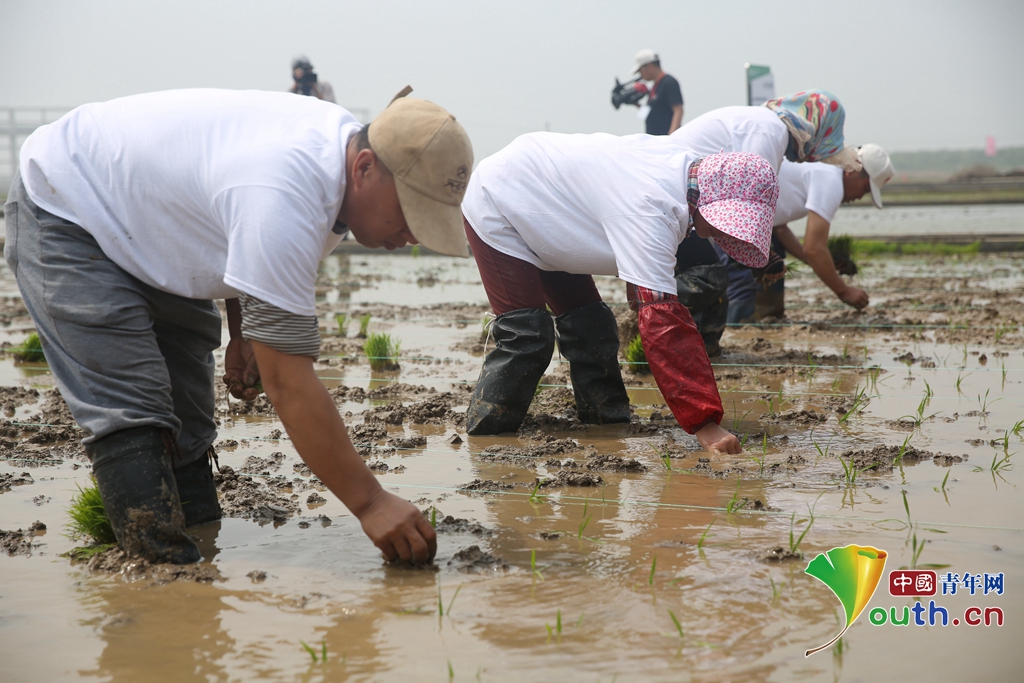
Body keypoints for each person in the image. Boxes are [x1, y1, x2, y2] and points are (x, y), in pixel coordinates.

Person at [5, 87, 472, 565]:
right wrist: (371, 503)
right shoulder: (287, 189)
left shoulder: (333, 152)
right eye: (411, 213)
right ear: (365, 167)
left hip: (155, 219)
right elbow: (288, 383)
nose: (414, 235)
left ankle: (198, 556)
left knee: (187, 410)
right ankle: (161, 587)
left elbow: (229, 210)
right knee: (135, 409)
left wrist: (243, 326)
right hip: (70, 205)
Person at [461, 132, 780, 454]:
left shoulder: (686, 171)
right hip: (500, 198)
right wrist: (705, 425)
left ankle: (607, 425)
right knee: (527, 335)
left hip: (553, 207)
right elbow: (664, 325)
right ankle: (488, 440)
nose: (724, 234)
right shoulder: (649, 207)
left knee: (592, 325)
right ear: (713, 201)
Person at [668, 89, 855, 349]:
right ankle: (659, 333)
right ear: (815, 129)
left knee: (711, 282)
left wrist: (762, 255)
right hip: (674, 194)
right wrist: (761, 255)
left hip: (689, 198)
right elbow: (742, 203)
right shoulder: (768, 132)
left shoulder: (769, 129)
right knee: (706, 278)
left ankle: (700, 353)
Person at [728, 144, 896, 319]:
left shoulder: (820, 168)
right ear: (852, 170)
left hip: (750, 225)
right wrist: (844, 291)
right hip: (736, 224)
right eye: (865, 188)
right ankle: (739, 331)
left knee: (768, 283)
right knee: (744, 292)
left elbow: (779, 228)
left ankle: (756, 333)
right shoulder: (830, 179)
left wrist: (823, 264)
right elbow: (814, 248)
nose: (860, 196)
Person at [634, 49, 684, 136]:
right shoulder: (655, 88)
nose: (641, 75)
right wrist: (635, 103)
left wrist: (671, 137)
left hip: (665, 140)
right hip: (654, 140)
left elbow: (678, 110)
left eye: (640, 71)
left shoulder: (669, 82)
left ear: (649, 66)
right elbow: (649, 115)